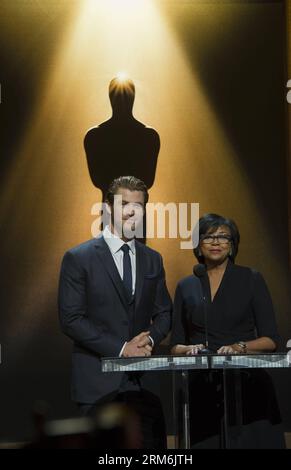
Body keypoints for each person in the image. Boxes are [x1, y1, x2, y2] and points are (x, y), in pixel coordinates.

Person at [58, 176, 172, 448]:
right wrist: (122, 348)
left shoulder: (152, 258)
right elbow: (71, 319)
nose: (133, 211)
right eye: (125, 204)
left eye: (139, 205)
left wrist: (150, 340)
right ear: (108, 208)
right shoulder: (79, 258)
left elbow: (165, 312)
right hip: (98, 386)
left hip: (144, 386)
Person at [170, 213, 285, 448]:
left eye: (223, 237)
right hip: (201, 390)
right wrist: (187, 349)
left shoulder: (251, 278)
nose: (215, 242)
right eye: (209, 236)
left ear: (232, 246)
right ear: (198, 245)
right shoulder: (187, 285)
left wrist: (239, 347)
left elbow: (271, 340)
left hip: (247, 388)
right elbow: (176, 344)